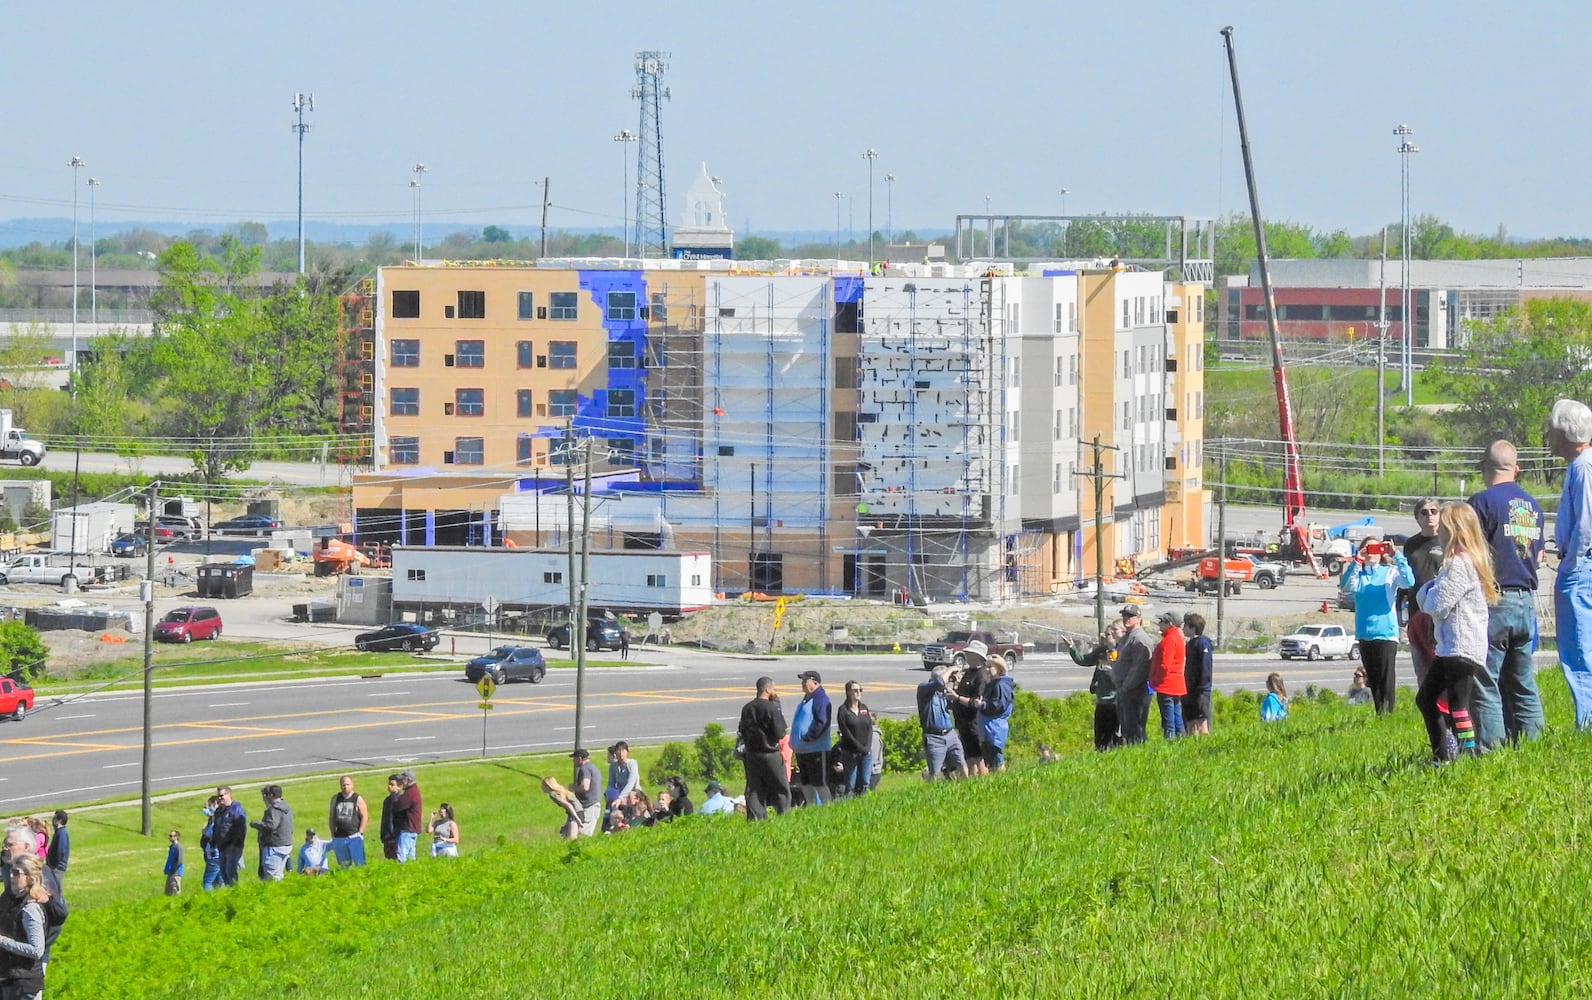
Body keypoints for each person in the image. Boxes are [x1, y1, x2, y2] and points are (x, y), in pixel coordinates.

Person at [1467, 439, 1547, 747]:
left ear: (1486, 468)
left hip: (1494, 600)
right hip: (1526, 599)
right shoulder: (1534, 507)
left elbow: (1471, 554)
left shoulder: (1482, 503)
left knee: (1485, 681)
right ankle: (1533, 745)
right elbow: (1537, 556)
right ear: (1517, 469)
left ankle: (1492, 749)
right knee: (1522, 680)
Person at [1416, 502, 1497, 761]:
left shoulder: (1459, 564)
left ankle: (1465, 754)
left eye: (1443, 526)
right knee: (1427, 699)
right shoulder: (1470, 561)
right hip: (1457, 646)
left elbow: (1437, 605)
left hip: (1460, 646)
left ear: (1454, 531)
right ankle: (1445, 754)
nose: (1437, 529)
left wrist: (1425, 592)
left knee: (1457, 704)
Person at [1549, 398, 1592, 728]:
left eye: (1552, 430)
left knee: (1579, 650)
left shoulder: (1582, 467)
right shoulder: (1578, 466)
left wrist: (1572, 564)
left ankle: (1587, 723)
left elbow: (1585, 524)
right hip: (1581, 563)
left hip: (1582, 567)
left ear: (1566, 432)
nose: (1549, 436)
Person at [1342, 536, 1415, 714]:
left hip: (1386, 634)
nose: (1371, 553)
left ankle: (1388, 714)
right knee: (1373, 679)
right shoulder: (1359, 573)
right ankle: (1379, 713)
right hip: (1365, 633)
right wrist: (1357, 561)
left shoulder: (1390, 572)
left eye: (1376, 549)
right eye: (1368, 549)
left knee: (1386, 678)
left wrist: (1396, 555)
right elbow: (1347, 586)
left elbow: (1409, 581)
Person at [0, 829, 63, 981]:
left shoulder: (42, 873)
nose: (5, 848)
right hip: (12, 959)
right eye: (4, 844)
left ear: (26, 847)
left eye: (9, 844)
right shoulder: (12, 872)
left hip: (29, 962)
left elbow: (60, 913)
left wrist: (46, 901)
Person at [1403, 497, 1447, 686]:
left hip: (1439, 614)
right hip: (1416, 613)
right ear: (1417, 518)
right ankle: (1430, 712)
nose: (1429, 515)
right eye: (1424, 512)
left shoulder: (1447, 541)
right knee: (1422, 670)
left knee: (1442, 668)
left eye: (1433, 511)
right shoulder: (1411, 545)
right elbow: (1405, 581)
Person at [737, 676, 790, 820]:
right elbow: (780, 733)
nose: (774, 691)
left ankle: (756, 818)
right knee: (781, 787)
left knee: (754, 789)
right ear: (767, 689)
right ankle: (784, 816)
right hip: (770, 753)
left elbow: (742, 729)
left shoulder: (747, 708)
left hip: (752, 755)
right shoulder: (771, 708)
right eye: (773, 688)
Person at [0, 853, 49, 1000]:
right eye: (10, 872)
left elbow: (36, 950)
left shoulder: (30, 909)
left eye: (16, 873)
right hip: (10, 979)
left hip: (24, 985)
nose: (11, 876)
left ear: (30, 878)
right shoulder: (13, 901)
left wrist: (1, 941)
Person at [956, 654, 1015, 772]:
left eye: (990, 667)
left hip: (994, 727)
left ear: (999, 668)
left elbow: (998, 705)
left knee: (995, 757)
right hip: (988, 726)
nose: (986, 670)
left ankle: (1001, 781)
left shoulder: (1001, 684)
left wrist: (981, 704)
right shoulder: (995, 683)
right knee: (989, 757)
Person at [1070, 623, 1123, 750]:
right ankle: (1101, 753)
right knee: (1100, 736)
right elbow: (1084, 660)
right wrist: (1072, 648)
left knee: (1112, 735)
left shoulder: (1121, 651)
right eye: (1104, 634)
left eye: (1109, 634)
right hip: (1101, 700)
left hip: (1115, 700)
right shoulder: (1101, 651)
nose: (1105, 637)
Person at [789, 670, 834, 806]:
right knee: (807, 784)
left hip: (816, 749)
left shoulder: (820, 699)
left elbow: (822, 722)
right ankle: (812, 807)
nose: (802, 684)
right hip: (803, 750)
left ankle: (828, 809)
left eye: (805, 681)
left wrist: (808, 737)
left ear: (814, 683)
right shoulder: (806, 699)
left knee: (820, 783)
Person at [1112, 606, 1155, 745]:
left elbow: (1140, 667)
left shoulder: (1140, 639)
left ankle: (1139, 754)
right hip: (1125, 690)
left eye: (1130, 616)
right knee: (1127, 728)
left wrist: (1127, 686)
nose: (1126, 619)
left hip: (1136, 691)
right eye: (1124, 615)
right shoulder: (1128, 637)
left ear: (1138, 619)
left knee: (1135, 729)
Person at [916, 667, 968, 779]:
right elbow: (939, 682)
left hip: (950, 734)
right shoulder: (924, 688)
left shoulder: (944, 692)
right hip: (934, 737)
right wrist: (951, 669)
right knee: (935, 772)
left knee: (961, 764)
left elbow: (956, 707)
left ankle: (965, 786)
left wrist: (956, 685)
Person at [951, 643, 991, 774]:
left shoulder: (982, 675)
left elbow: (976, 702)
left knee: (978, 758)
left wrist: (957, 698)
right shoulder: (969, 672)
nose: (967, 656)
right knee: (969, 757)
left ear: (977, 656)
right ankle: (973, 783)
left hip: (974, 723)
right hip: (963, 723)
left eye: (970, 654)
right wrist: (957, 684)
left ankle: (984, 783)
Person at [1149, 611, 1187, 739]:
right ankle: (1181, 740)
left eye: (1162, 622)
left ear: (1170, 624)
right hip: (1176, 683)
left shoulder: (1169, 639)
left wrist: (1155, 680)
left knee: (1168, 719)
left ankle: (1170, 741)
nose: (1159, 624)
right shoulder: (1178, 637)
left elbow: (1165, 664)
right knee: (1177, 715)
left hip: (1167, 683)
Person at [834, 680, 874, 797]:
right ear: (848, 692)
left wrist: (867, 747)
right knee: (850, 784)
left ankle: (864, 803)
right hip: (850, 752)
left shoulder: (864, 708)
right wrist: (859, 747)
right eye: (855, 690)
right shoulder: (843, 710)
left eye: (860, 690)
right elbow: (846, 732)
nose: (858, 693)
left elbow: (869, 728)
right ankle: (850, 804)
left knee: (865, 782)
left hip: (866, 752)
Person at [250, 785, 294, 881]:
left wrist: (256, 824)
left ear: (271, 795)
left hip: (274, 845)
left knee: (272, 877)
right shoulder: (286, 807)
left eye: (266, 795)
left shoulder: (274, 809)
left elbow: (271, 825)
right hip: (285, 843)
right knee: (278, 875)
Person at [326, 775, 369, 869]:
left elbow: (365, 816)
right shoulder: (335, 798)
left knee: (360, 864)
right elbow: (332, 817)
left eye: (347, 784)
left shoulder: (357, 798)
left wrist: (360, 832)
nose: (345, 787)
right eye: (343, 785)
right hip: (339, 837)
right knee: (344, 865)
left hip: (354, 836)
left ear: (352, 785)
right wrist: (333, 833)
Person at [1182, 614, 1215, 736]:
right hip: (1189, 688)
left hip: (1200, 689)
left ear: (1192, 627)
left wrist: (1202, 686)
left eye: (1185, 626)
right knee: (1190, 720)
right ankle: (1192, 742)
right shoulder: (1190, 643)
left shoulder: (1202, 643)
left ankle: (1204, 741)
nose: (1183, 628)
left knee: (1201, 720)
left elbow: (1205, 666)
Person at [210, 786, 247, 887]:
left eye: (222, 795)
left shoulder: (236, 809)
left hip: (232, 847)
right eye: (218, 796)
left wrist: (236, 843)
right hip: (221, 847)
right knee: (224, 873)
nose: (220, 798)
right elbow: (216, 828)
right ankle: (229, 892)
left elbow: (241, 829)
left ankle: (235, 892)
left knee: (230, 872)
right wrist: (213, 842)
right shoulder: (219, 811)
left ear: (229, 794)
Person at [569, 748, 602, 838]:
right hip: (591, 806)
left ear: (580, 758)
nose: (573, 761)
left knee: (583, 835)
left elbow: (585, 786)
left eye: (574, 759)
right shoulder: (592, 767)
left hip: (589, 807)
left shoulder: (585, 769)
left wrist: (573, 788)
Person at [395, 771, 423, 863]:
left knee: (402, 857)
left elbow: (398, 806)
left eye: (402, 780)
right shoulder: (414, 791)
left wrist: (396, 796)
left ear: (408, 780)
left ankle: (402, 875)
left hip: (408, 829)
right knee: (411, 858)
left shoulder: (410, 793)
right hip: (413, 829)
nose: (401, 783)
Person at [199, 796, 223, 891]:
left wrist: (205, 830)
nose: (209, 808)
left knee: (207, 881)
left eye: (211, 805)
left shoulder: (217, 821)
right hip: (219, 854)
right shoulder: (217, 818)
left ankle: (208, 898)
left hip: (214, 854)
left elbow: (207, 833)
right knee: (219, 881)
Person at [604, 742, 639, 808]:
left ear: (627, 752)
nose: (621, 753)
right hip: (620, 796)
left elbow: (631, 783)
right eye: (618, 750)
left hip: (633, 795)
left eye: (623, 750)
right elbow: (611, 783)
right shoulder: (613, 766)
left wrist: (620, 797)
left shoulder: (632, 764)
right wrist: (608, 794)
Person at [378, 775, 402, 860]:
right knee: (389, 858)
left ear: (399, 787)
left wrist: (395, 833)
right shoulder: (387, 800)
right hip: (387, 836)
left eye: (392, 784)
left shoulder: (400, 800)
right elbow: (384, 818)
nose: (389, 786)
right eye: (388, 784)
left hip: (395, 836)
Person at [43, 813, 66, 879]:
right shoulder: (59, 832)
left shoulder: (61, 833)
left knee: (56, 885)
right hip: (54, 865)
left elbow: (60, 850)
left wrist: (55, 864)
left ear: (59, 820)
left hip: (57, 867)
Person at [163, 830, 185, 895]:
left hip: (176, 873)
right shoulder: (171, 847)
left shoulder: (179, 847)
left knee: (175, 891)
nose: (170, 837)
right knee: (168, 892)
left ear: (177, 837)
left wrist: (174, 869)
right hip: (170, 872)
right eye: (170, 836)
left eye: (172, 836)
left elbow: (179, 860)